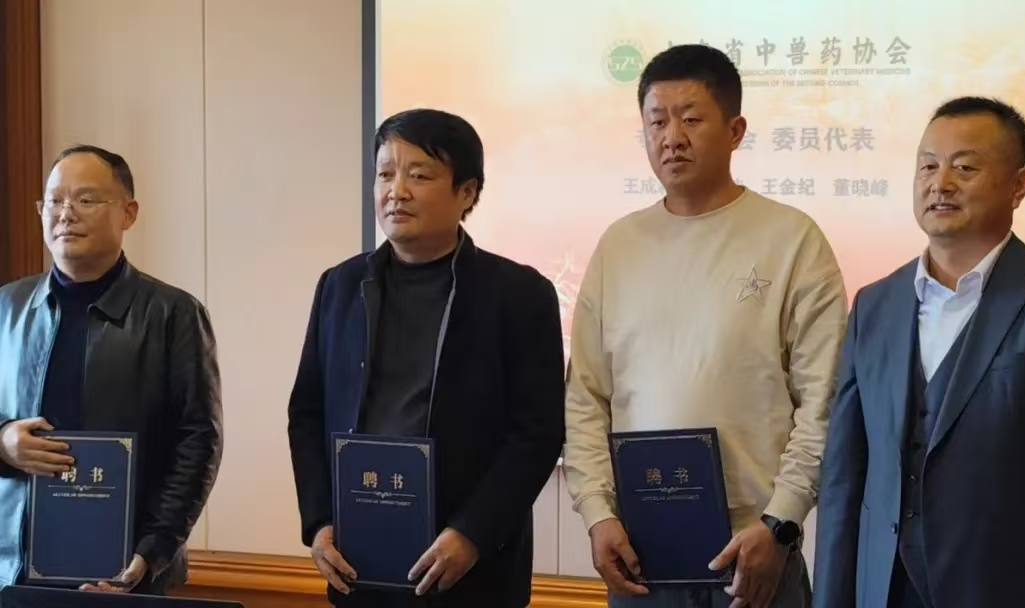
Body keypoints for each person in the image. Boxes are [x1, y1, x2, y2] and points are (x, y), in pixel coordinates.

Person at [564, 44, 849, 608]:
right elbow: (586, 398)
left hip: (754, 552)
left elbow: (825, 399)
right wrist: (597, 514)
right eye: (657, 122)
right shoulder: (619, 246)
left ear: (735, 130)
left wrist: (781, 522)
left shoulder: (792, 239)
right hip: (640, 553)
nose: (672, 137)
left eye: (691, 119)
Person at [287, 108, 566, 607]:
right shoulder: (341, 285)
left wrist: (473, 533)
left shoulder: (519, 294)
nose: (397, 191)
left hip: (471, 570)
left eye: (419, 175)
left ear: (467, 192)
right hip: (359, 561)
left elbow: (538, 433)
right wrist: (319, 522)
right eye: (385, 174)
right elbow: (307, 413)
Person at [813, 97, 1025, 608]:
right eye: (928, 166)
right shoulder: (874, 305)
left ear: (1019, 186)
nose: (941, 183)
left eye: (965, 167)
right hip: (883, 590)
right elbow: (844, 478)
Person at [0, 145, 224, 595]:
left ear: (128, 213)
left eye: (85, 199)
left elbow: (198, 441)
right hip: (14, 570)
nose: (66, 214)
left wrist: (152, 551)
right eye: (54, 200)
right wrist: (3, 442)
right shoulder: (7, 306)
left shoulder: (173, 313)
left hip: (128, 568)